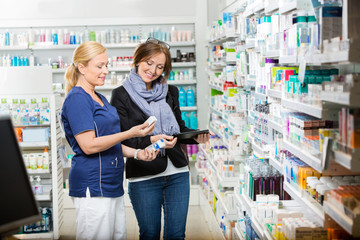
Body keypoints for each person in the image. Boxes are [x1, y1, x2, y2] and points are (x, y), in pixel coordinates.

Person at [110, 38, 211, 240]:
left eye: (160, 67)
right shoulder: (121, 95)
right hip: (144, 175)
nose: (153, 70)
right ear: (137, 60)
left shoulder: (170, 91)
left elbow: (179, 129)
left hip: (178, 172)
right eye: (149, 63)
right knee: (150, 234)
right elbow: (121, 140)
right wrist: (151, 139)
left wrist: (195, 137)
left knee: (176, 234)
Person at [61, 41, 158, 240]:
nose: (105, 70)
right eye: (100, 66)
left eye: (107, 65)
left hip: (111, 184)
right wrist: (130, 133)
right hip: (93, 184)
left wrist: (137, 153)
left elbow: (110, 142)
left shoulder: (99, 97)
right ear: (82, 67)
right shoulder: (77, 99)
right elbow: (89, 146)